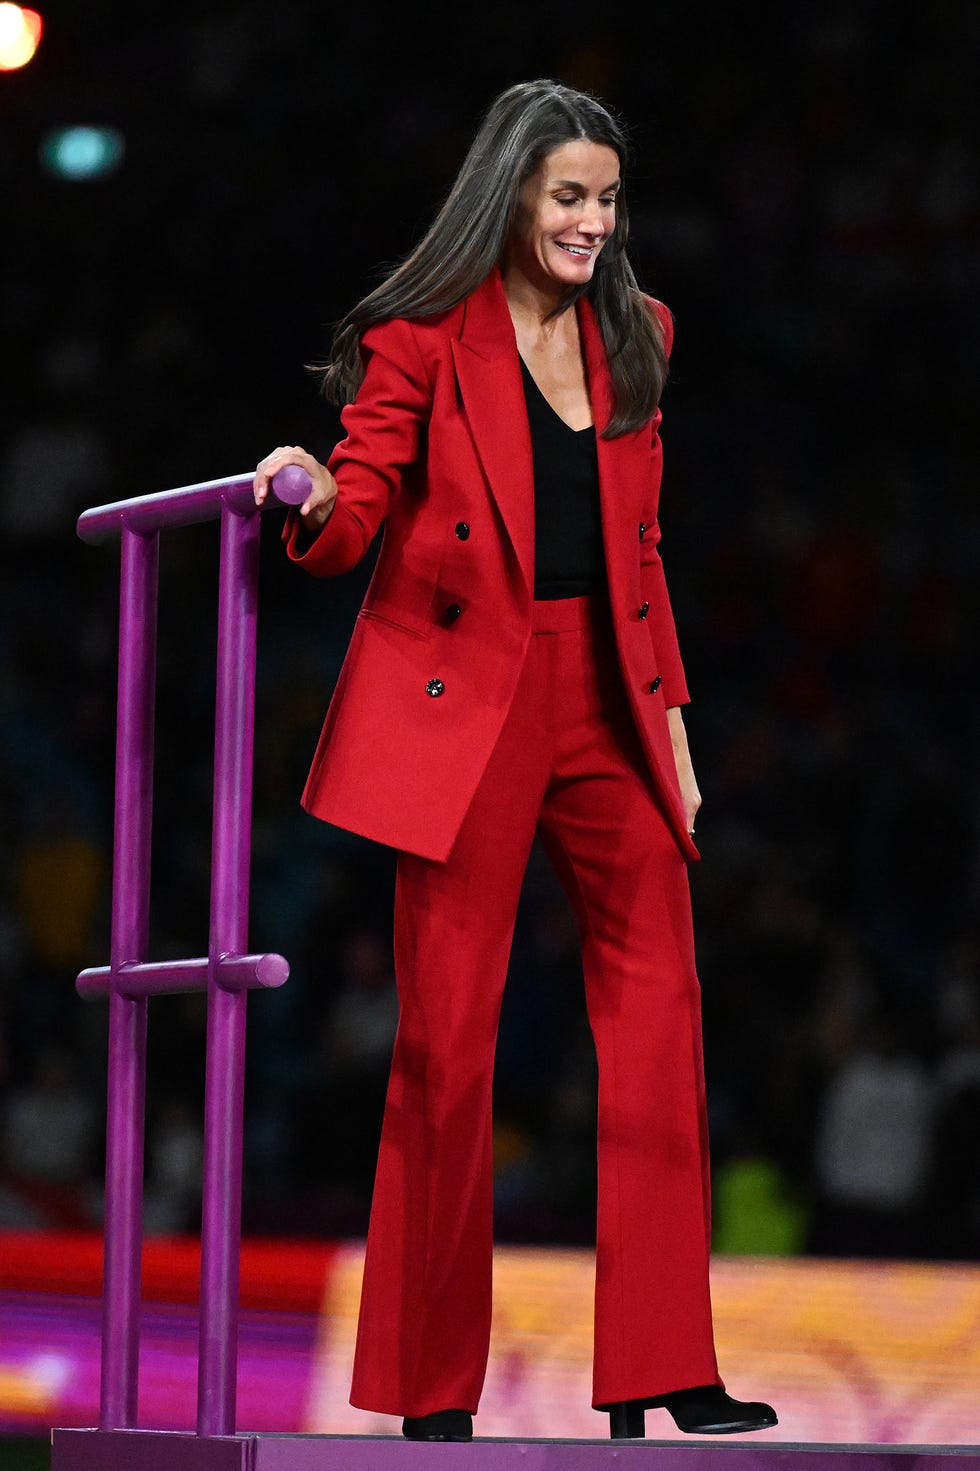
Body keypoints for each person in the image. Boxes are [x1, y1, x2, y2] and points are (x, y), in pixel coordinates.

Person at [254, 78, 776, 1444]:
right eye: (568, 197)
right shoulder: (417, 336)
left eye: (607, 198)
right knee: (446, 1045)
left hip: (607, 699)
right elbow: (358, 505)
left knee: (662, 1023)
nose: (593, 221)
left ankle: (664, 1366)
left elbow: (644, 553)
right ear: (513, 197)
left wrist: (668, 723)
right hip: (464, 712)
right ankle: (432, 1393)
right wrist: (309, 490)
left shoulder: (640, 333)